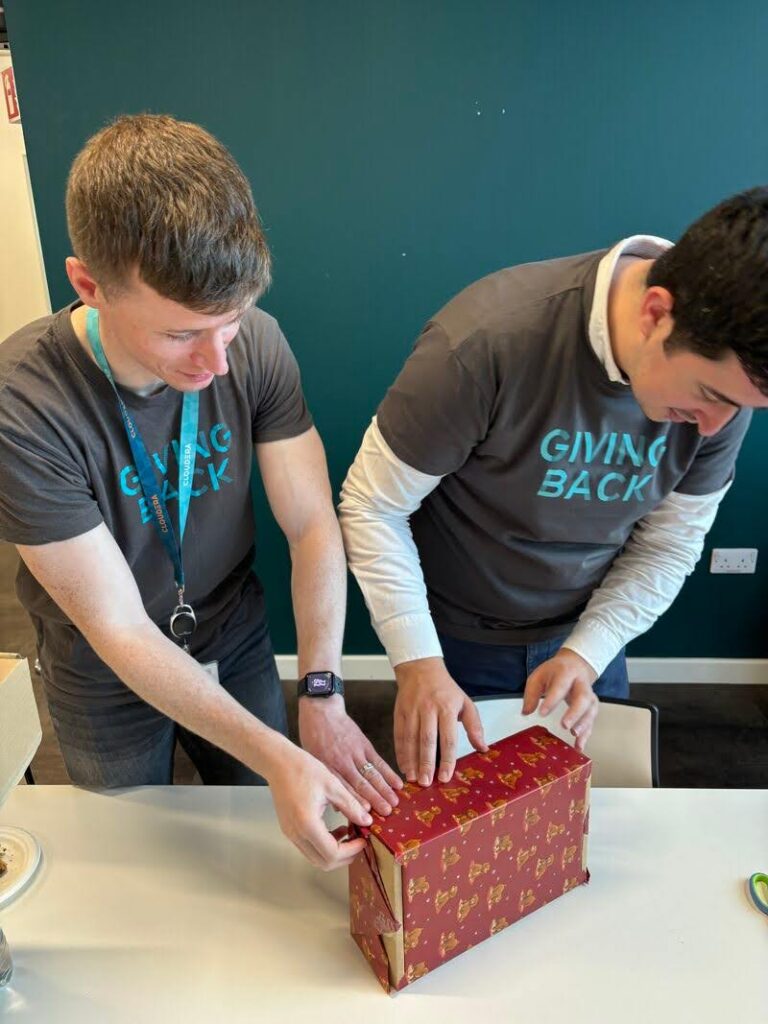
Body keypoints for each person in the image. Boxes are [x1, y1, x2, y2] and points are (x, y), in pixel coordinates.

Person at [0, 114, 401, 871]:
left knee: (265, 835)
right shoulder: (23, 407)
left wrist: (319, 690)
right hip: (100, 669)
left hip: (231, 631)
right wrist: (280, 753)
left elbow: (313, 524)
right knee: (133, 862)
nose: (217, 361)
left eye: (233, 322)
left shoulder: (256, 344)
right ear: (89, 285)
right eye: (182, 334)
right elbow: (117, 627)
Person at [339, 188, 768, 788]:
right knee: (460, 841)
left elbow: (668, 546)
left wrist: (586, 653)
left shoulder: (731, 379)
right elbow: (372, 505)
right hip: (456, 641)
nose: (717, 427)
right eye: (712, 397)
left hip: (590, 632)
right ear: (655, 313)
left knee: (581, 828)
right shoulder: (485, 342)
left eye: (744, 408)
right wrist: (417, 662)